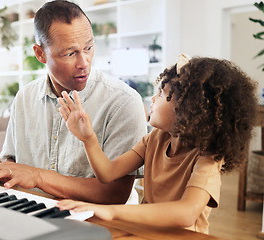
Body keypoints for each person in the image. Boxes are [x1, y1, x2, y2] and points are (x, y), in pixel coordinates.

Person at [0, 0, 147, 204]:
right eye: (70, 53)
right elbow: (18, 168)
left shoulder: (123, 101)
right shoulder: (24, 97)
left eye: (88, 48)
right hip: (31, 211)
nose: (84, 63)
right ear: (40, 54)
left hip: (98, 223)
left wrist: (39, 177)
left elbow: (115, 194)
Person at [57, 54, 257, 233]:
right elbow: (107, 173)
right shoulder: (154, 138)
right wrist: (88, 138)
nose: (152, 99)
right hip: (145, 232)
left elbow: (186, 213)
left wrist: (112, 212)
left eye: (162, 94)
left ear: (188, 108)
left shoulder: (207, 158)